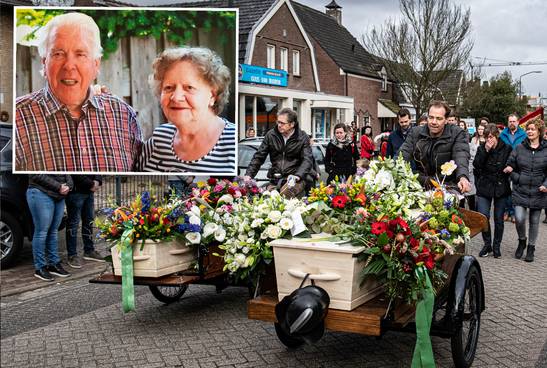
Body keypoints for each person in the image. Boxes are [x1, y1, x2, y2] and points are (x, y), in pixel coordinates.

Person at [15, 12, 142, 172]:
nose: (69, 65)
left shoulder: (124, 116)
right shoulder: (17, 117)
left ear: (96, 65)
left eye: (80, 54)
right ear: (44, 62)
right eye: (58, 54)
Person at [138, 47, 235, 173]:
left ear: (212, 95)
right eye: (168, 87)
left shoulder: (232, 143)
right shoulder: (158, 140)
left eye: (189, 87)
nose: (176, 97)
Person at [399, 100, 471, 192]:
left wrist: (463, 177)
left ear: (446, 120)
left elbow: (461, 155)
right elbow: (402, 155)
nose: (434, 122)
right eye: (431, 117)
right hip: (421, 186)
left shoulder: (457, 133)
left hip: (448, 187)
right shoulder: (415, 133)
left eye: (439, 118)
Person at [503, 119, 547, 262]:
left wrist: (546, 184)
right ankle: (522, 240)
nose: (529, 131)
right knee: (520, 219)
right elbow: (510, 165)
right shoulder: (519, 148)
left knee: (534, 221)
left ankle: (531, 248)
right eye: (528, 129)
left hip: (538, 191)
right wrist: (517, 177)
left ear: (539, 131)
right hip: (520, 190)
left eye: (533, 129)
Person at [244, 107, 313, 196]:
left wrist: (298, 176)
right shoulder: (271, 135)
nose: (279, 125)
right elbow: (259, 157)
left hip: (294, 179)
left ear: (292, 124)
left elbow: (307, 160)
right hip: (275, 178)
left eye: (282, 123)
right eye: (278, 122)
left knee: (286, 197)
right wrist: (249, 175)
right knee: (267, 200)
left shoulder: (302, 137)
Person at [473, 124, 512, 258]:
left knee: (499, 219)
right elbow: (477, 165)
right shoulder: (482, 148)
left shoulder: (506, 148)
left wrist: (510, 168)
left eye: (491, 137)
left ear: (496, 136)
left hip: (501, 187)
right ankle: (487, 244)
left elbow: (512, 163)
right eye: (486, 137)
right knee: (483, 216)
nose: (488, 140)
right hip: (485, 186)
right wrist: (486, 151)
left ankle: (496, 246)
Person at [27, 174, 73, 281]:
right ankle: (40, 267)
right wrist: (59, 186)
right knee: (41, 232)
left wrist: (69, 185)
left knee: (53, 231)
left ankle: (54, 264)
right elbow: (35, 174)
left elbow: (67, 170)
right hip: (40, 192)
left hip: (59, 195)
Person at [65, 175, 103, 268]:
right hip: (75, 192)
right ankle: (72, 255)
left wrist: (97, 180)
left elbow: (96, 167)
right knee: (73, 224)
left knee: (89, 221)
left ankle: (89, 250)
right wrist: (92, 184)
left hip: (89, 191)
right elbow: (74, 172)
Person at [500, 114, 527, 223]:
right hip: (505, 166)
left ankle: (515, 213)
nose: (512, 123)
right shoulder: (502, 134)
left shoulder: (523, 134)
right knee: (506, 190)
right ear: (508, 122)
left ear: (518, 122)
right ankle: (507, 211)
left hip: (519, 167)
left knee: (516, 190)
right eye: (510, 121)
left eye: (514, 121)